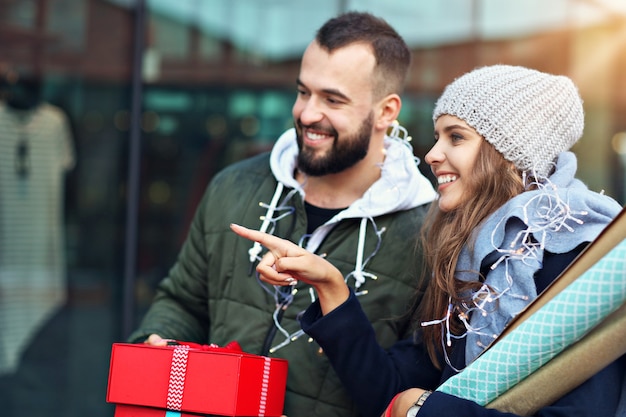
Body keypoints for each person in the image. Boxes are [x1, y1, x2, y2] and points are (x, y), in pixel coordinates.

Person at [231, 65, 625, 417]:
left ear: (509, 154)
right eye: (437, 137)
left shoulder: (576, 257)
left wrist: (427, 410)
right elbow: (388, 394)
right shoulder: (467, 253)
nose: (432, 154)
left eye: (456, 137)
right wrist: (330, 286)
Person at [128, 11, 437, 417]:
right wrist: (158, 337)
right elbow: (184, 300)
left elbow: (404, 393)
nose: (308, 113)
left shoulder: (431, 235)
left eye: (332, 99)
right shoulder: (233, 185)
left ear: (386, 112)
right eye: (303, 92)